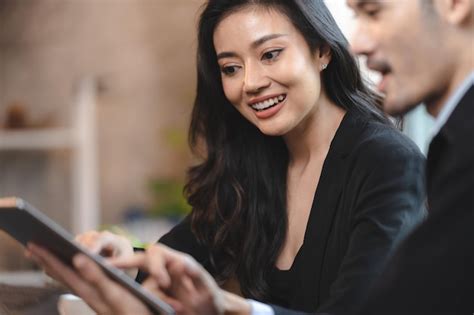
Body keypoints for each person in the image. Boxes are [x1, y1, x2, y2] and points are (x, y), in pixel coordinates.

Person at [67, 0, 471, 314]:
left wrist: (232, 309)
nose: (251, 83)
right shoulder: (253, 164)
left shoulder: (388, 162)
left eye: (270, 54)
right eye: (230, 68)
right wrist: (121, 259)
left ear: (321, 51)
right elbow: (180, 258)